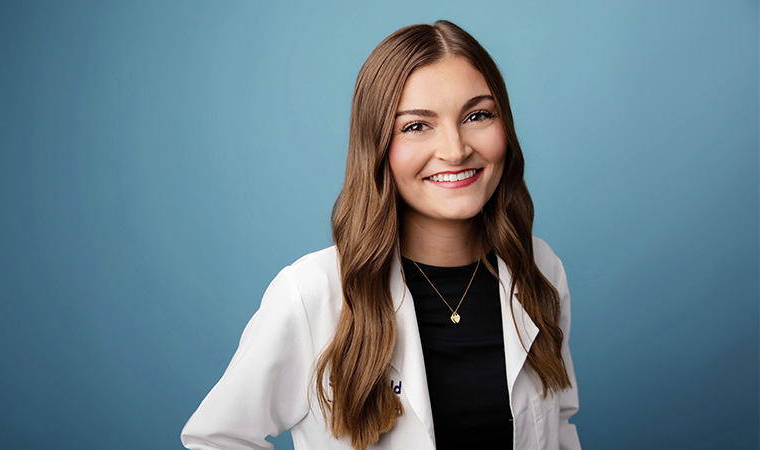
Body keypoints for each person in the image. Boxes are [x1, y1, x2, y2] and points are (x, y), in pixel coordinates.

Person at [181, 20, 580, 450]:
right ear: (377, 146)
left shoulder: (540, 269)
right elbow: (215, 439)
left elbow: (558, 428)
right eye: (415, 126)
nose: (455, 148)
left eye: (477, 115)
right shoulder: (313, 293)